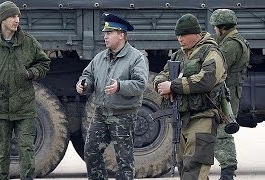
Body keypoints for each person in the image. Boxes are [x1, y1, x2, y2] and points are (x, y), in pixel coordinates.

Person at [0, 1, 51, 179]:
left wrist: (31, 73)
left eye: (18, 16)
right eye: (13, 16)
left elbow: (44, 63)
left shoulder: (28, 42)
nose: (17, 19)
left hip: (24, 106)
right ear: (2, 19)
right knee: (1, 152)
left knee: (27, 150)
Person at [153, 14, 227, 180]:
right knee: (186, 170)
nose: (180, 39)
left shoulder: (211, 52)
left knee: (194, 170)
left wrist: (173, 85)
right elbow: (162, 74)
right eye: (178, 35)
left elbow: (206, 80)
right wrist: (161, 85)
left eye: (184, 35)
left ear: (197, 34)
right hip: (183, 118)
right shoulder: (178, 55)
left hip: (203, 117)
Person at [76, 12, 148, 180]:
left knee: (124, 159)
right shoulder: (100, 57)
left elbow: (140, 84)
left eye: (109, 33)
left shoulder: (136, 58)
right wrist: (84, 84)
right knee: (91, 151)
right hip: (101, 113)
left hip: (124, 114)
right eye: (105, 33)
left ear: (121, 35)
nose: (105, 37)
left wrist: (120, 86)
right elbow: (89, 76)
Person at [210, 9, 250, 180]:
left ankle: (227, 171)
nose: (214, 31)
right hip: (227, 91)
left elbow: (217, 66)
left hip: (226, 94)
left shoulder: (231, 44)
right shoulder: (233, 40)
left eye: (215, 28)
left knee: (222, 130)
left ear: (221, 27)